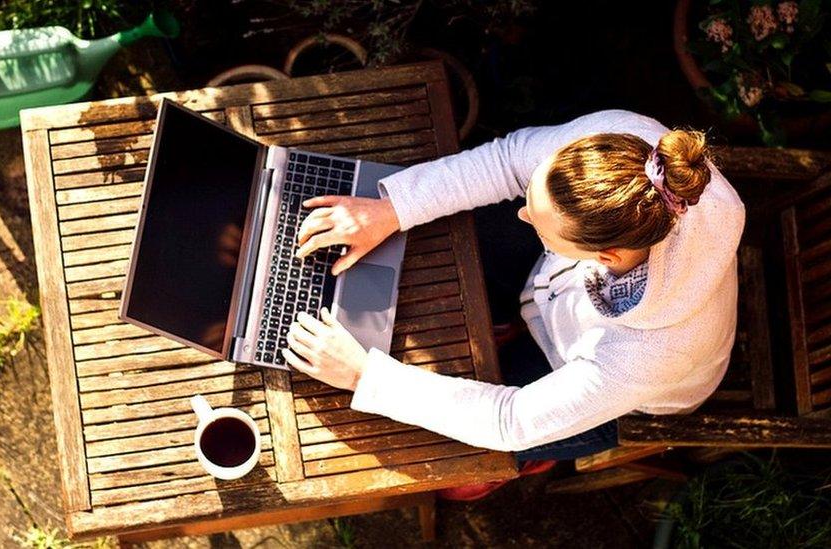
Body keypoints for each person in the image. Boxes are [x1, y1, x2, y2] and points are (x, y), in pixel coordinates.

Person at [281, 109, 745, 497]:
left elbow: (511, 419)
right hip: (560, 293)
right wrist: (392, 210)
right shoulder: (626, 151)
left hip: (626, 395)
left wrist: (366, 376)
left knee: (457, 471)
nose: (522, 214)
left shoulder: (648, 354)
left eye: (540, 226)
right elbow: (506, 161)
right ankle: (518, 317)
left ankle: (538, 458)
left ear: (606, 257)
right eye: (532, 199)